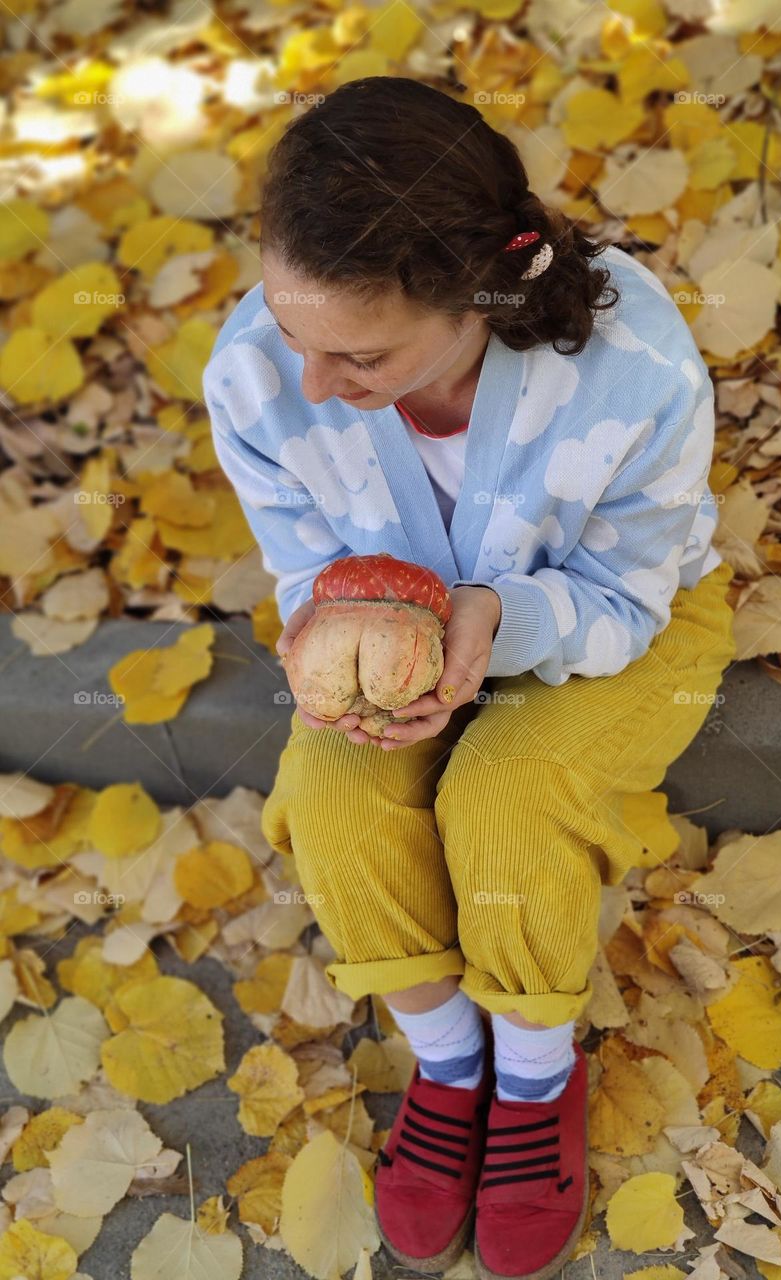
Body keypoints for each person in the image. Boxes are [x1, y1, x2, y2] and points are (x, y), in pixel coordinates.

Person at [203, 75, 736, 1280]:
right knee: (334, 796)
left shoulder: (633, 369)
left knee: (505, 790)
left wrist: (498, 618)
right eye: (294, 336)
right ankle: (449, 1060)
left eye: (361, 354)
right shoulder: (259, 370)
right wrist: (340, 641)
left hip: (611, 621)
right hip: (384, 624)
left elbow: (631, 590)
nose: (312, 384)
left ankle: (537, 1074)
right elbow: (304, 569)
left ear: (481, 289)